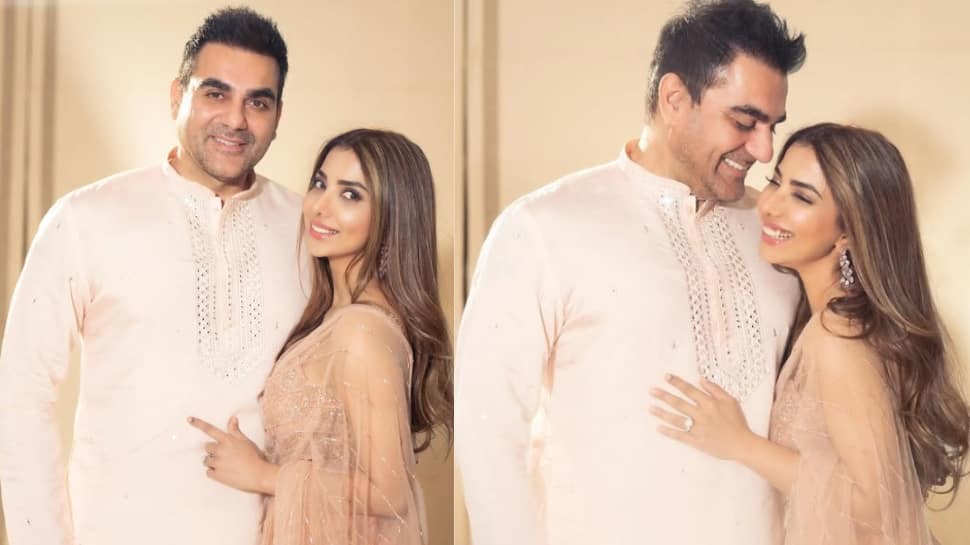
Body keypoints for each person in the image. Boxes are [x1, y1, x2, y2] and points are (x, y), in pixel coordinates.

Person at [456, 1, 806, 544]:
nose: (763, 150)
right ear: (674, 99)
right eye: (743, 122)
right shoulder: (543, 227)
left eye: (771, 127)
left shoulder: (778, 234)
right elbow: (489, 434)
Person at [0, 8, 309, 545]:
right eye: (215, 93)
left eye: (257, 102)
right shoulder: (85, 219)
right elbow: (22, 392)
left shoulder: (307, 229)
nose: (236, 120)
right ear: (176, 96)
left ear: (278, 115)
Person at [650, 123, 970, 545]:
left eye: (801, 197)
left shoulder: (838, 339)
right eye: (775, 182)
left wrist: (740, 443)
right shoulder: (833, 321)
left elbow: (876, 506)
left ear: (849, 231)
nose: (770, 206)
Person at [186, 129, 454, 545]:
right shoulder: (332, 316)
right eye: (319, 184)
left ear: (393, 215)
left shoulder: (361, 331)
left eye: (350, 195)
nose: (319, 207)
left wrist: (263, 475)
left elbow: (391, 493)